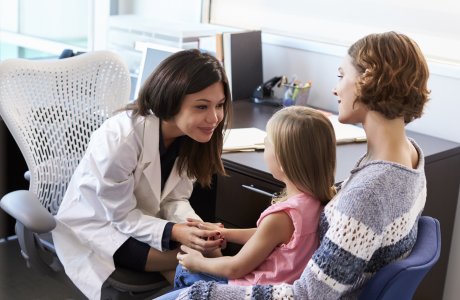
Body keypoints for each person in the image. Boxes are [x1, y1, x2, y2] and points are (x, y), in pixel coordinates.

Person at [157, 31, 430, 299]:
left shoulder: (368, 194)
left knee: (186, 282)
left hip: (290, 291)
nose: (336, 88)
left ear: (368, 80)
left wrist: (204, 292)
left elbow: (306, 295)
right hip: (294, 281)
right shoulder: (409, 158)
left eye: (341, 75)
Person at [51, 49, 232, 300]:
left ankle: (222, 287)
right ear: (170, 100)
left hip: (143, 220)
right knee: (202, 261)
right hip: (101, 225)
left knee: (205, 253)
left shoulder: (190, 136)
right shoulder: (121, 138)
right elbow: (121, 216)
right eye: (201, 106)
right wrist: (179, 233)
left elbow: (174, 199)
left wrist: (195, 227)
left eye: (220, 105)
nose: (214, 118)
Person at [174, 106, 337, 288]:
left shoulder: (281, 216)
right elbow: (266, 235)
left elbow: (235, 268)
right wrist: (224, 233)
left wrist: (197, 263)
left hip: (253, 291)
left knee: (184, 271)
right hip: (286, 285)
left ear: (282, 161)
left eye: (267, 143)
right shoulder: (316, 202)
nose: (264, 147)